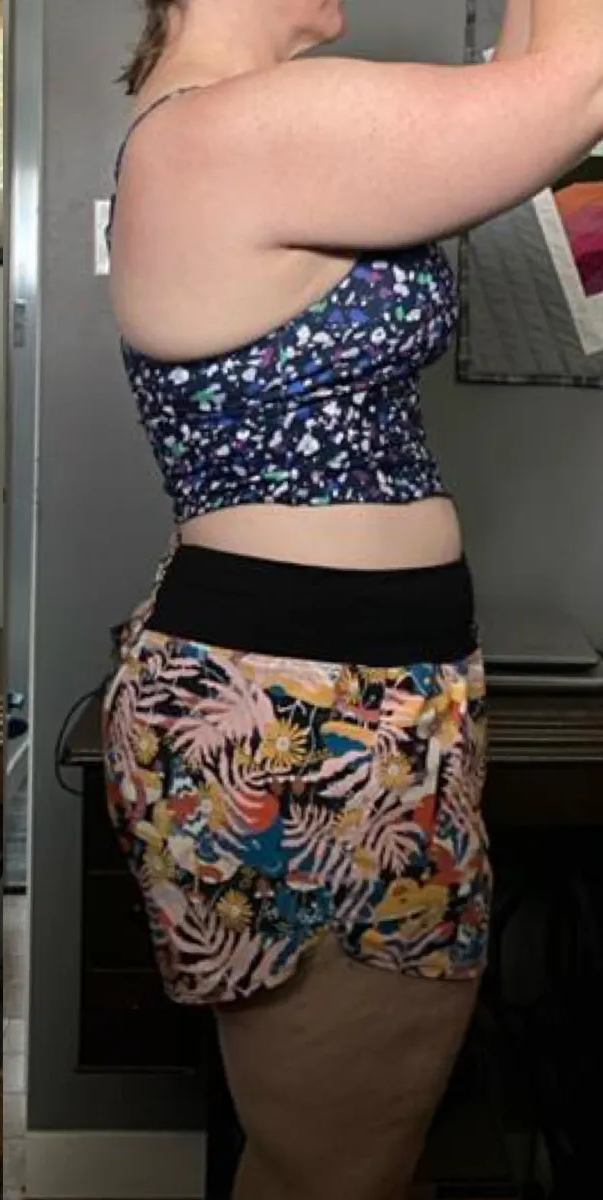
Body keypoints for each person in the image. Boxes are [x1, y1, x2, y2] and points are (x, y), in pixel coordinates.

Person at [102, 0, 600, 1196]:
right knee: (343, 1169)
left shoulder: (227, 128)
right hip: (305, 706)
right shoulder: (224, 130)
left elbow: (536, 82)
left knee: (323, 1164)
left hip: (354, 686)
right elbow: (577, 86)